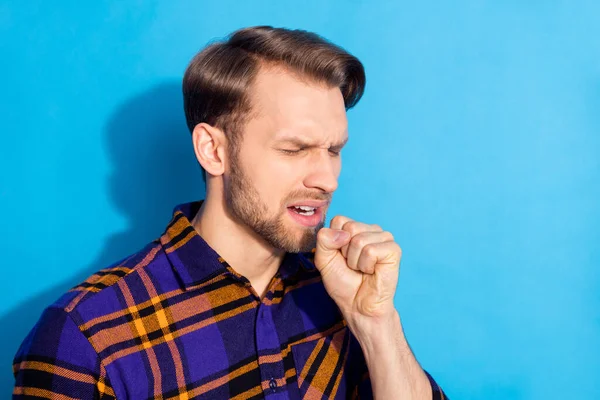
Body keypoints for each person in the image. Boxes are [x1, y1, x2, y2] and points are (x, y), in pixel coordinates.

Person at [13, 26, 447, 399]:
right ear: (213, 150)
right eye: (294, 149)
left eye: (333, 150)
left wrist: (375, 323)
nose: (327, 179)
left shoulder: (337, 290)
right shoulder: (86, 336)